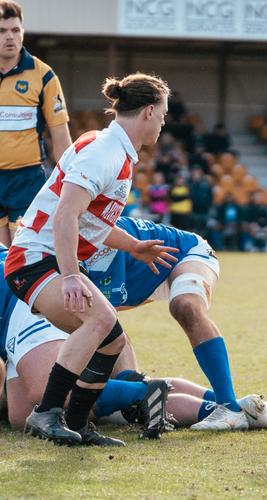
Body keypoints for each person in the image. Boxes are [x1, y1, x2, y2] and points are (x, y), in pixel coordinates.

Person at [3, 73, 176, 446]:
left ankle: (78, 423)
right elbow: (65, 214)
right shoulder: (105, 151)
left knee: (111, 341)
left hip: (47, 258)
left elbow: (89, 222)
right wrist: (70, 277)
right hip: (34, 259)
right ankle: (46, 413)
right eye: (162, 115)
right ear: (148, 111)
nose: (163, 123)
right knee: (100, 319)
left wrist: (132, 245)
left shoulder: (116, 151)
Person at [0, 242, 267, 435]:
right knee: (23, 414)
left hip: (29, 300)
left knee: (47, 393)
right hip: (49, 294)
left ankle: (146, 397)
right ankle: (229, 405)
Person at [0, 1, 72, 246]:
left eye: (15, 30)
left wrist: (69, 183)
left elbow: (60, 137)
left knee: (20, 254)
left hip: (26, 179)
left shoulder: (44, 75)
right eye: (2, 31)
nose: (10, 36)